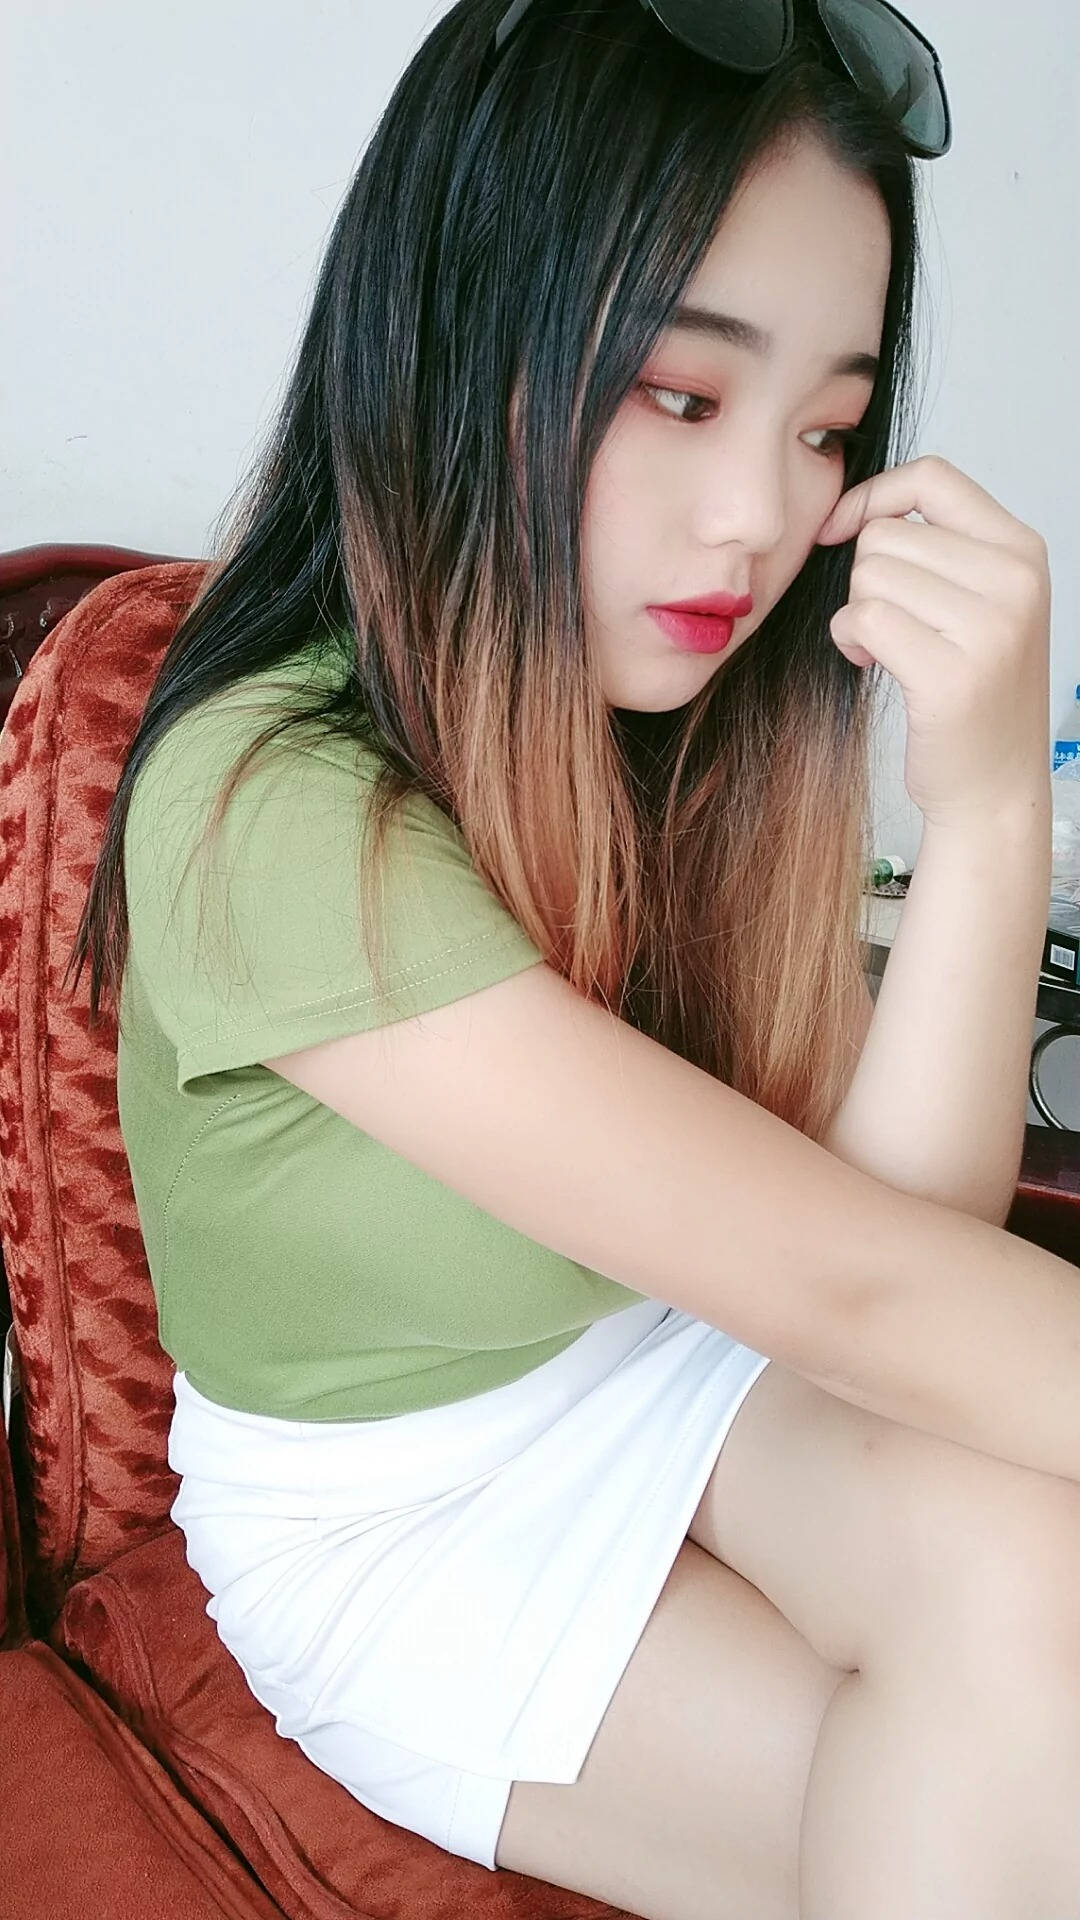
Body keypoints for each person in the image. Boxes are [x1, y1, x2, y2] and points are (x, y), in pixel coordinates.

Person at [67, 2, 1080, 1914]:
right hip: (397, 1515)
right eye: (680, 395)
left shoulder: (684, 725)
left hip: (664, 1365)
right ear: (458, 342)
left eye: (825, 429)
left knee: (1027, 1563)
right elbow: (861, 1297)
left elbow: (892, 1265)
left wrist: (984, 812)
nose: (762, 518)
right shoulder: (262, 799)